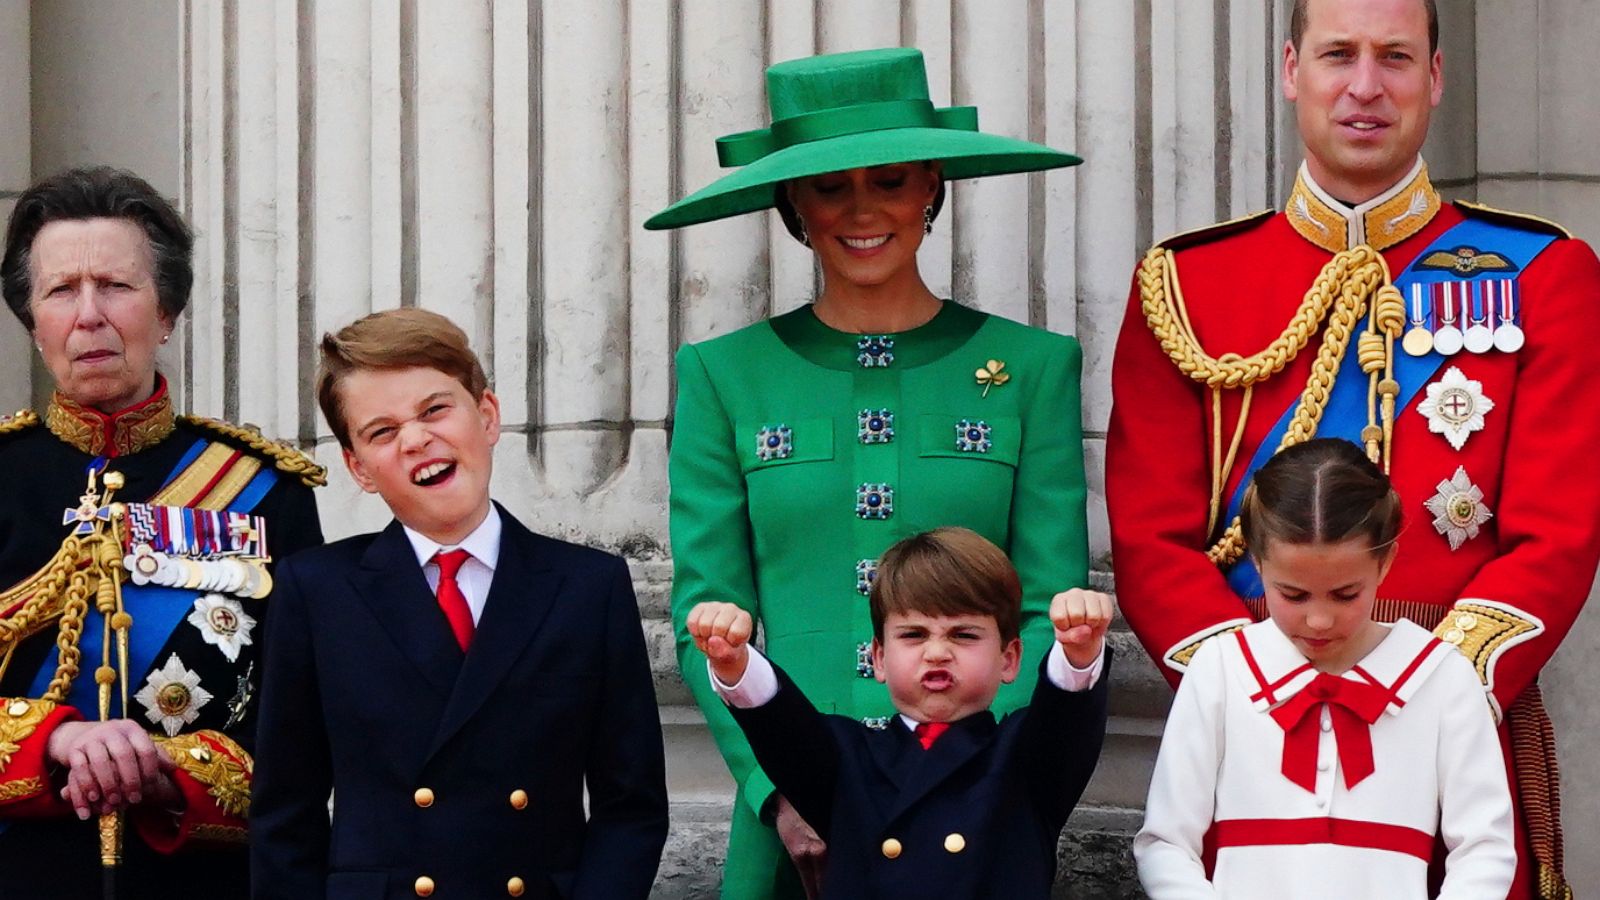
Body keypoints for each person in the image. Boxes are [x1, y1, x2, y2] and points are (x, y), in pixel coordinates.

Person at [1105, 1, 1600, 894]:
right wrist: (1255, 692)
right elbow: (1150, 538)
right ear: (1293, 69)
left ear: (1436, 78)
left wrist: (1431, 696)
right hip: (1254, 747)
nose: (1365, 87)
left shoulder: (1542, 274)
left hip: (1457, 738)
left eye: (1396, 58)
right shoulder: (1186, 285)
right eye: (1339, 55)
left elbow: (1558, 534)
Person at [646, 47, 1089, 900]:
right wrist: (778, 791)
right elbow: (707, 614)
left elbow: (1044, 602)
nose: (862, 211)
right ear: (793, 206)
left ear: (931, 185)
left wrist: (982, 771)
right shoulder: (722, 374)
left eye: (888, 181)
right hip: (789, 819)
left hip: (974, 810)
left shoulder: (1032, 367)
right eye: (829, 187)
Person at [249, 309, 668, 900]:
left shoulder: (587, 587)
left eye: (435, 409)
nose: (417, 439)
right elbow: (285, 817)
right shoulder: (316, 591)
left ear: (488, 416)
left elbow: (633, 807)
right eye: (382, 431)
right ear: (358, 468)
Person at [0, 166, 325, 898]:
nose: (89, 315)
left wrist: (174, 770)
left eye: (116, 286)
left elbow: (306, 721)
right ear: (33, 322)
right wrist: (54, 740)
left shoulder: (266, 490)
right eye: (61, 291)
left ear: (168, 311)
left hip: (203, 877)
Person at [1134, 438, 1515, 898]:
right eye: (1293, 595)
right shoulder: (1220, 669)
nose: (1318, 619)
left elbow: (1485, 848)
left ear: (1386, 560)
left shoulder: (1442, 676)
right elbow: (1165, 843)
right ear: (1257, 562)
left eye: (1345, 594)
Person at [687, 527, 1112, 899]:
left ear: (1010, 658)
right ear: (878, 658)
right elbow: (781, 725)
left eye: (964, 635)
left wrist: (1078, 651)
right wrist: (733, 661)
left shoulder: (1023, 759)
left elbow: (1066, 720)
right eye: (913, 635)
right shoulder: (846, 758)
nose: (937, 652)